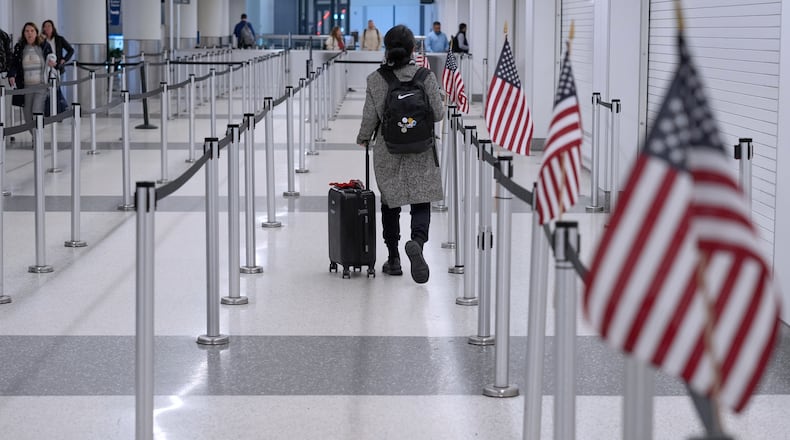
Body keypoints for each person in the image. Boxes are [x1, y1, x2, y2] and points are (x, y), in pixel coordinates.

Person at [355, 25, 443, 284]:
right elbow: (438, 114)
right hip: (422, 149)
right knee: (421, 199)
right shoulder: (426, 77)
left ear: (386, 48)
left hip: (388, 150)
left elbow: (370, 118)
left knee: (390, 203)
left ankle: (393, 258)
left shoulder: (375, 79)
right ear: (413, 49)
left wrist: (363, 138)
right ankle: (416, 242)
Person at [8, 22, 55, 130]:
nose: (29, 33)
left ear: (36, 33)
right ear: (24, 33)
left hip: (41, 85)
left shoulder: (43, 45)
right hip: (26, 87)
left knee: (36, 111)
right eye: (27, 31)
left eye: (32, 31)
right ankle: (35, 136)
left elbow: (51, 57)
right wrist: (12, 75)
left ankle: (38, 138)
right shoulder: (20, 47)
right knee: (27, 114)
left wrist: (51, 61)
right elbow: (14, 64)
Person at [41, 19, 73, 113]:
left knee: (57, 89)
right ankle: (49, 111)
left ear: (53, 28)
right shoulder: (41, 40)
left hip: (57, 68)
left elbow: (70, 50)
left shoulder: (59, 39)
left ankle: (60, 110)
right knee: (47, 90)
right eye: (45, 26)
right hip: (46, 68)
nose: (47, 28)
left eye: (49, 26)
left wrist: (64, 59)